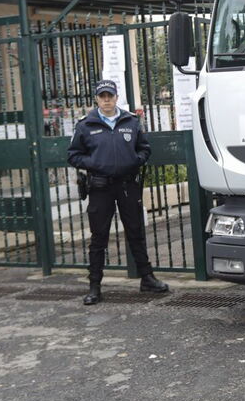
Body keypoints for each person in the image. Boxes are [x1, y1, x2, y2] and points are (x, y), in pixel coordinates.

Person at [67, 80, 169, 305]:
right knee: (99, 237)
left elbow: (145, 148)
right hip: (100, 187)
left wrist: (135, 160)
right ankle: (95, 287)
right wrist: (94, 162)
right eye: (102, 96)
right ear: (96, 98)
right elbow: (73, 155)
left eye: (109, 96)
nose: (106, 100)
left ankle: (147, 279)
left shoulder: (130, 121)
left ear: (116, 97)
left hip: (126, 185)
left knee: (135, 231)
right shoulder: (86, 124)